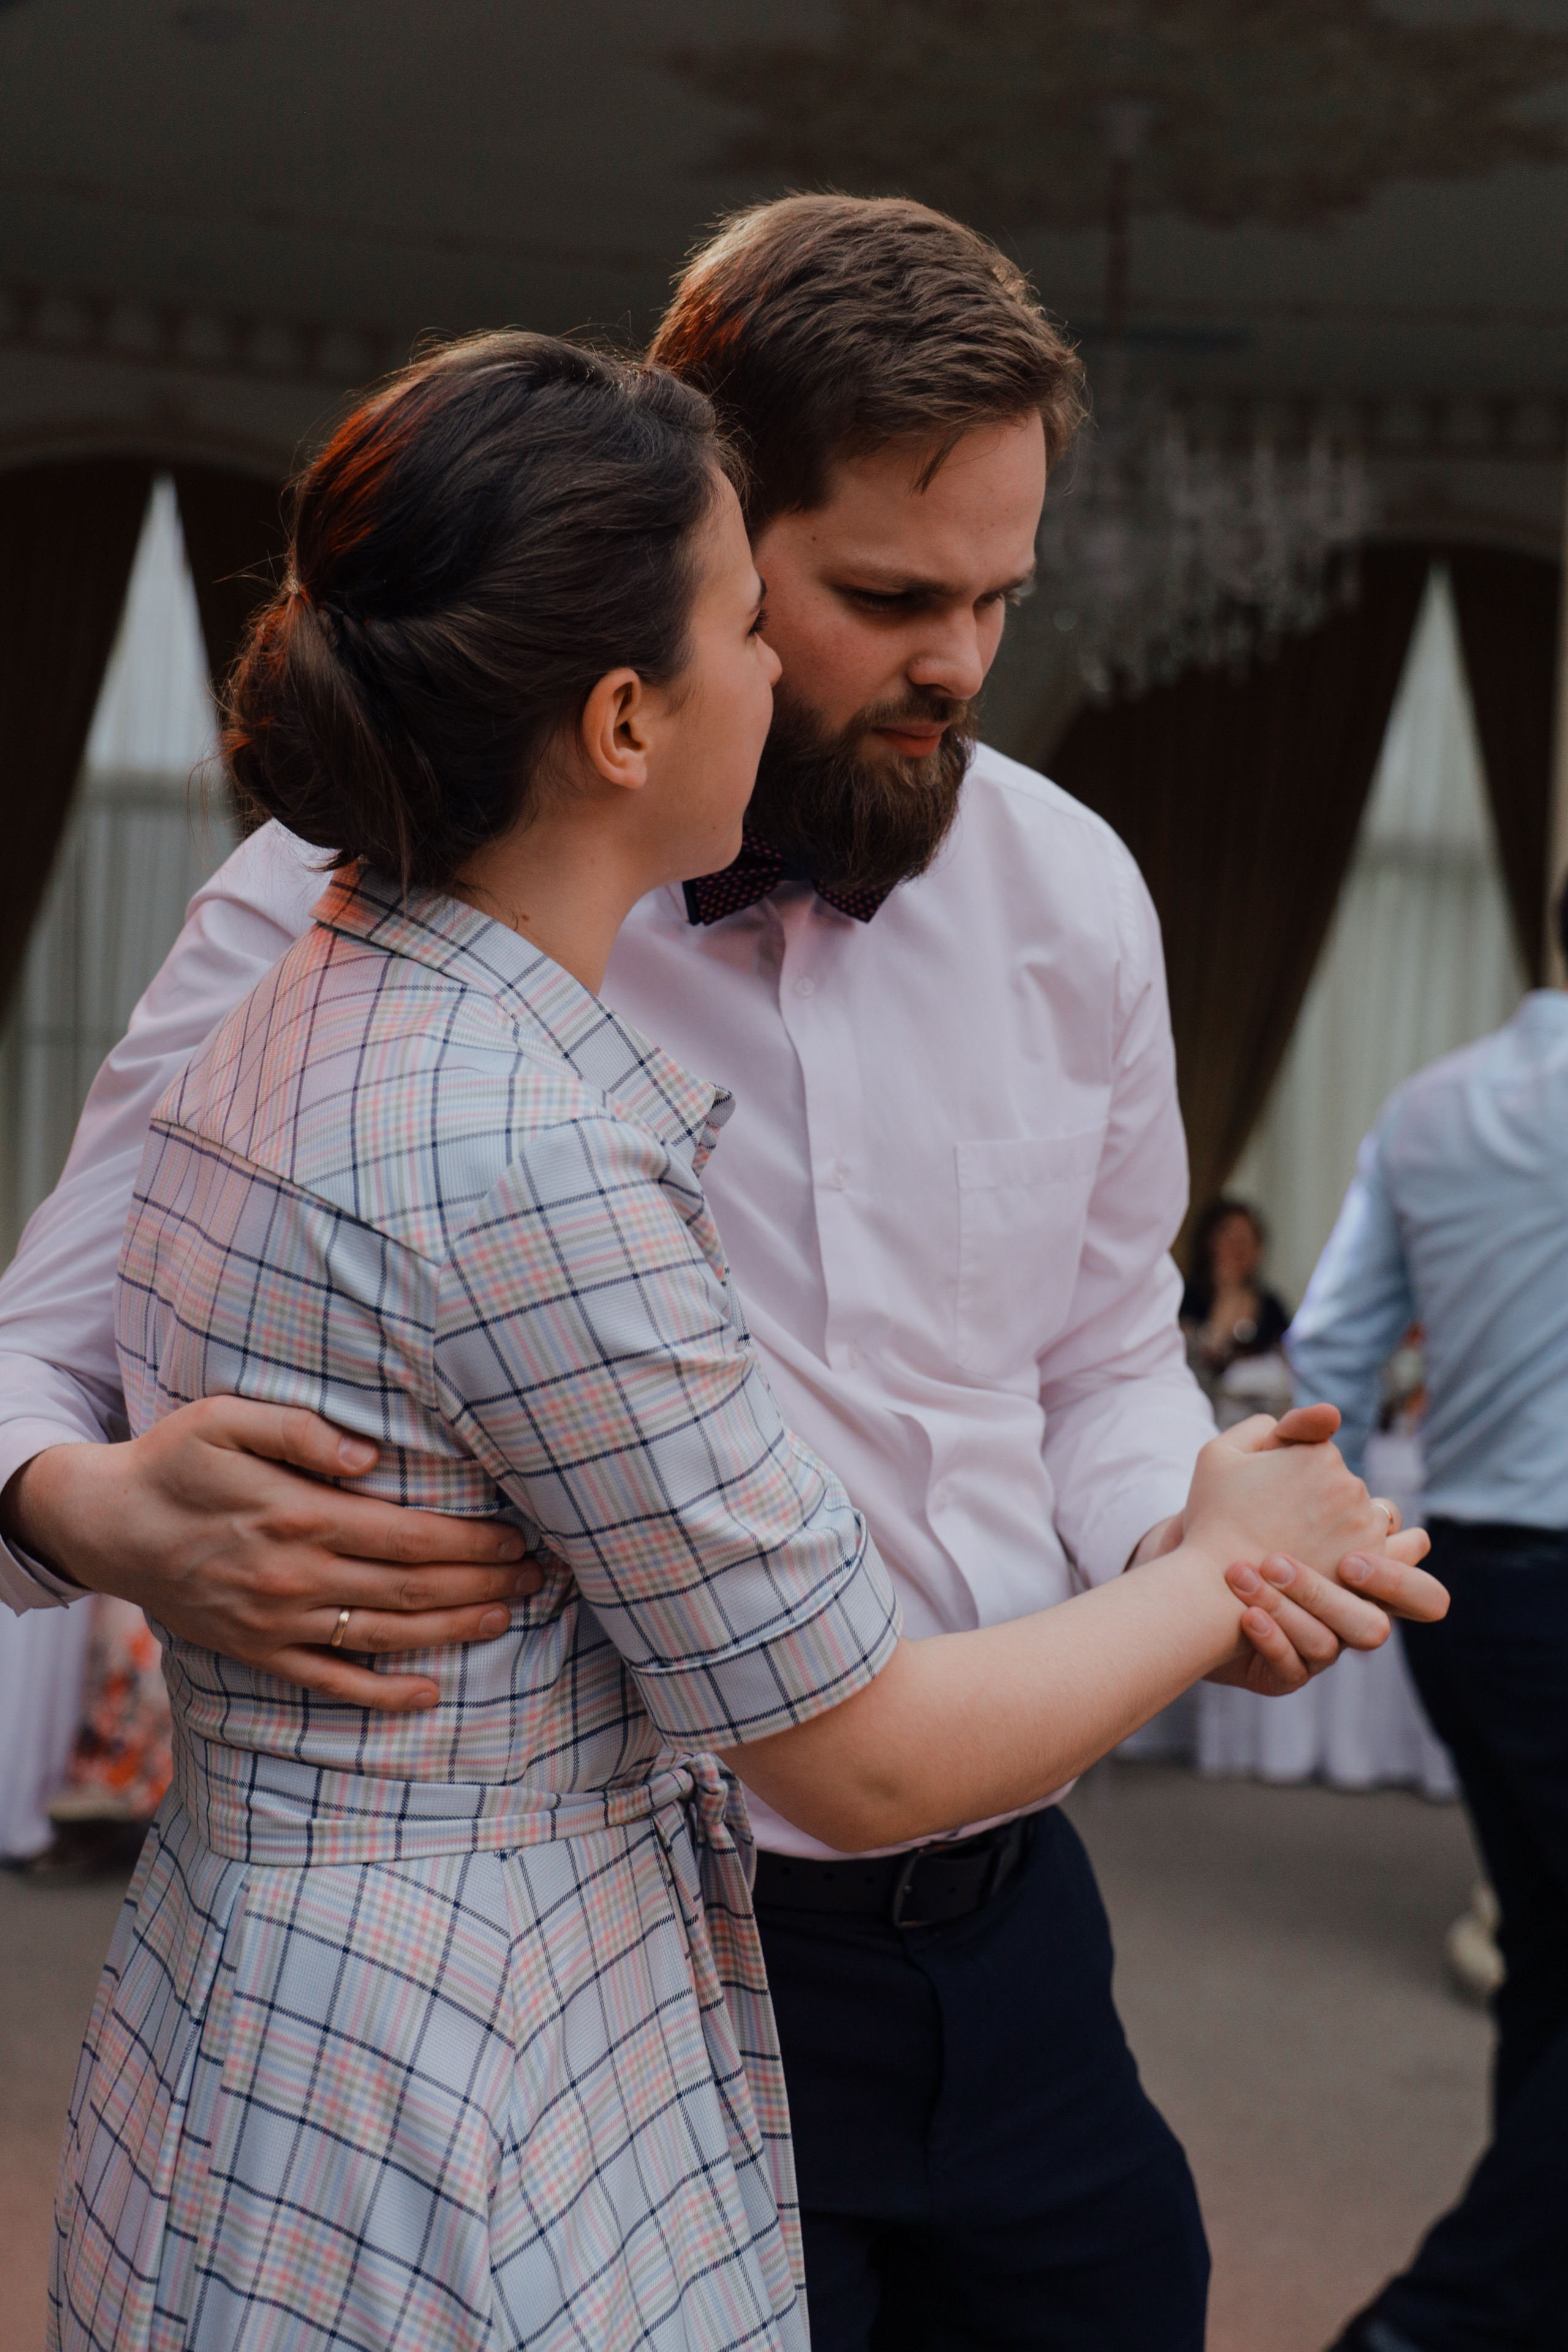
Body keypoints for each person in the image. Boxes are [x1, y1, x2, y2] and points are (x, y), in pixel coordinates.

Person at [4, 200, 1438, 2351]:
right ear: (695, 547)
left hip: (1017, 1922)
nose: (962, 663)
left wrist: (1188, 1519)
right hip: (644, 1949)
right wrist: (82, 1506)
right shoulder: (355, 907)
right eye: (882, 598)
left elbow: (1104, 1349)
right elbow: (37, 1349)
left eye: (1001, 597)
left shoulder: (1073, 889)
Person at [1289, 898, 1568, 2352]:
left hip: (1464, 1583)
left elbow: (1324, 1357)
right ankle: (1435, 2327)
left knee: (1546, 1964)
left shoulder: (1425, 1104)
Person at [1180, 1195, 1292, 1399]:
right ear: (1209, 1244)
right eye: (1229, 1239)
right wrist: (1228, 1293)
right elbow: (1195, 1364)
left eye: (1246, 1240)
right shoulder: (1187, 1299)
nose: (1238, 1249)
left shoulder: (1271, 1305)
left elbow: (1289, 1366)